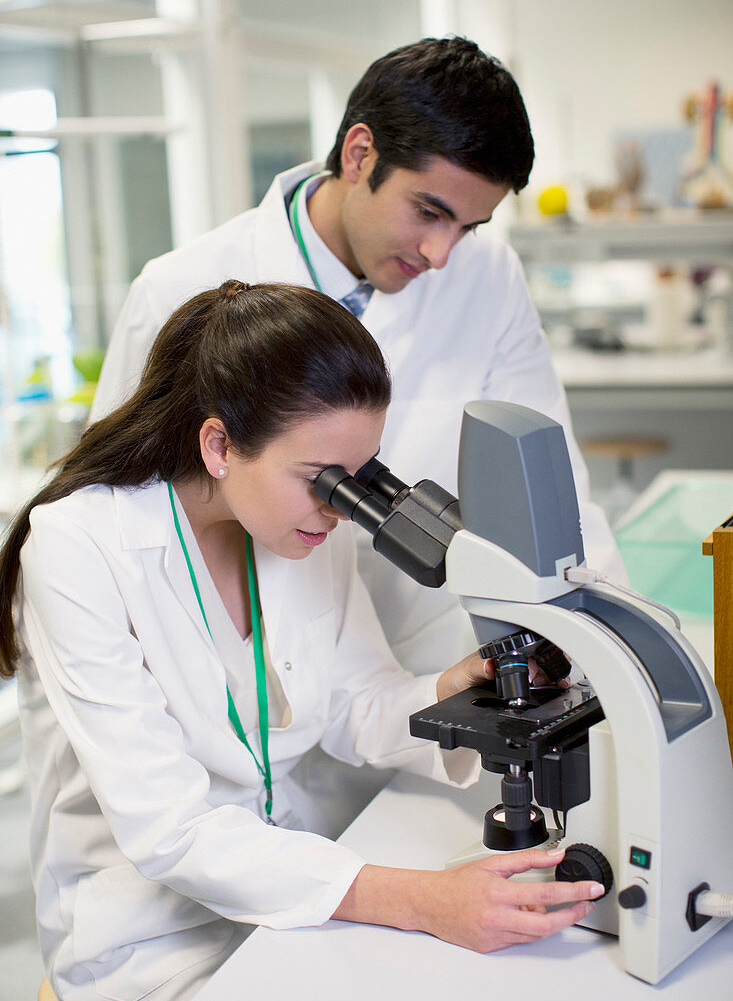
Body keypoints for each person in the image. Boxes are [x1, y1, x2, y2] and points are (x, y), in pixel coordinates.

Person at [0, 281, 602, 1001]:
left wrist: (463, 686)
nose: (338, 507)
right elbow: (170, 830)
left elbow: (355, 704)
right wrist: (423, 901)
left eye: (354, 477)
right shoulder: (79, 547)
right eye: (319, 479)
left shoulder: (298, 526)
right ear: (219, 445)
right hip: (152, 940)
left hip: (299, 888)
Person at [91, 37, 625, 688]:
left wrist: (605, 655)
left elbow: (548, 479)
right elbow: (117, 530)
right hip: (252, 691)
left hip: (429, 667)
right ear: (359, 153)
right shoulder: (183, 286)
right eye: (428, 211)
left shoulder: (485, 277)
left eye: (467, 227)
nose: (440, 254)